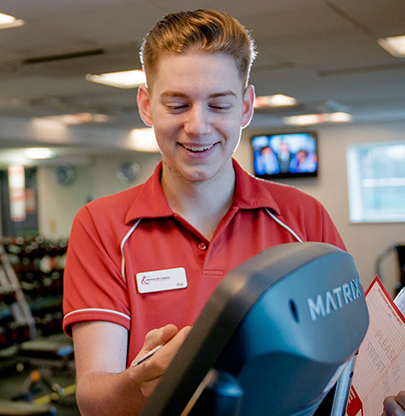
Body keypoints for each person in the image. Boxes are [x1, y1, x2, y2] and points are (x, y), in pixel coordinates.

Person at [61, 9, 347, 416]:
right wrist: (140, 384)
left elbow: (346, 356)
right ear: (146, 106)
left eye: (219, 105)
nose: (198, 126)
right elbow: (93, 399)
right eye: (177, 104)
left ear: (246, 107)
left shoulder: (304, 217)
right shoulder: (101, 225)